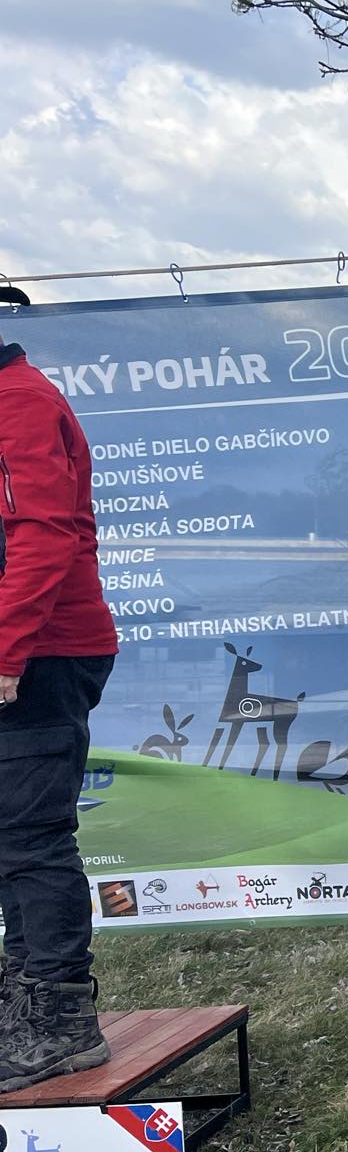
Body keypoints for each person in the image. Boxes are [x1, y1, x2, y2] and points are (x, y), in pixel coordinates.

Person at [0, 335, 119, 1093]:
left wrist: (5, 653)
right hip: (27, 649)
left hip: (42, 654)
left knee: (31, 838)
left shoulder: (17, 400)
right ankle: (23, 1004)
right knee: (8, 839)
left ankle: (62, 1022)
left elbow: (43, 536)